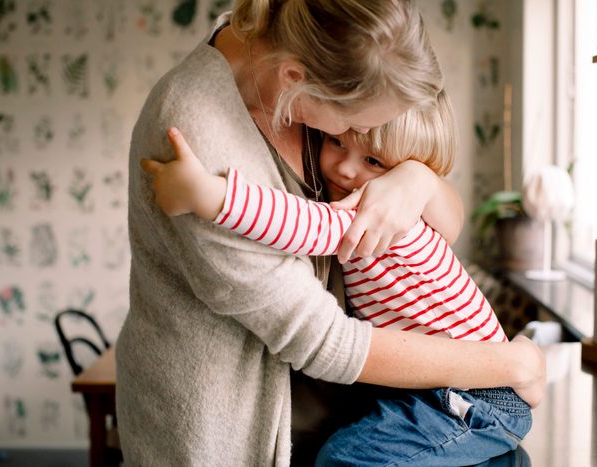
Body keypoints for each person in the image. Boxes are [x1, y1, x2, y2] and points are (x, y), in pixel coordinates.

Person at [116, 1, 545, 465]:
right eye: (351, 128)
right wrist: (512, 364)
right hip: (221, 437)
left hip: (359, 414)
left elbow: (448, 220)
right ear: (295, 79)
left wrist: (417, 179)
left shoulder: (299, 77)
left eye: (374, 151)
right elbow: (321, 337)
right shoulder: (196, 129)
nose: (354, 142)